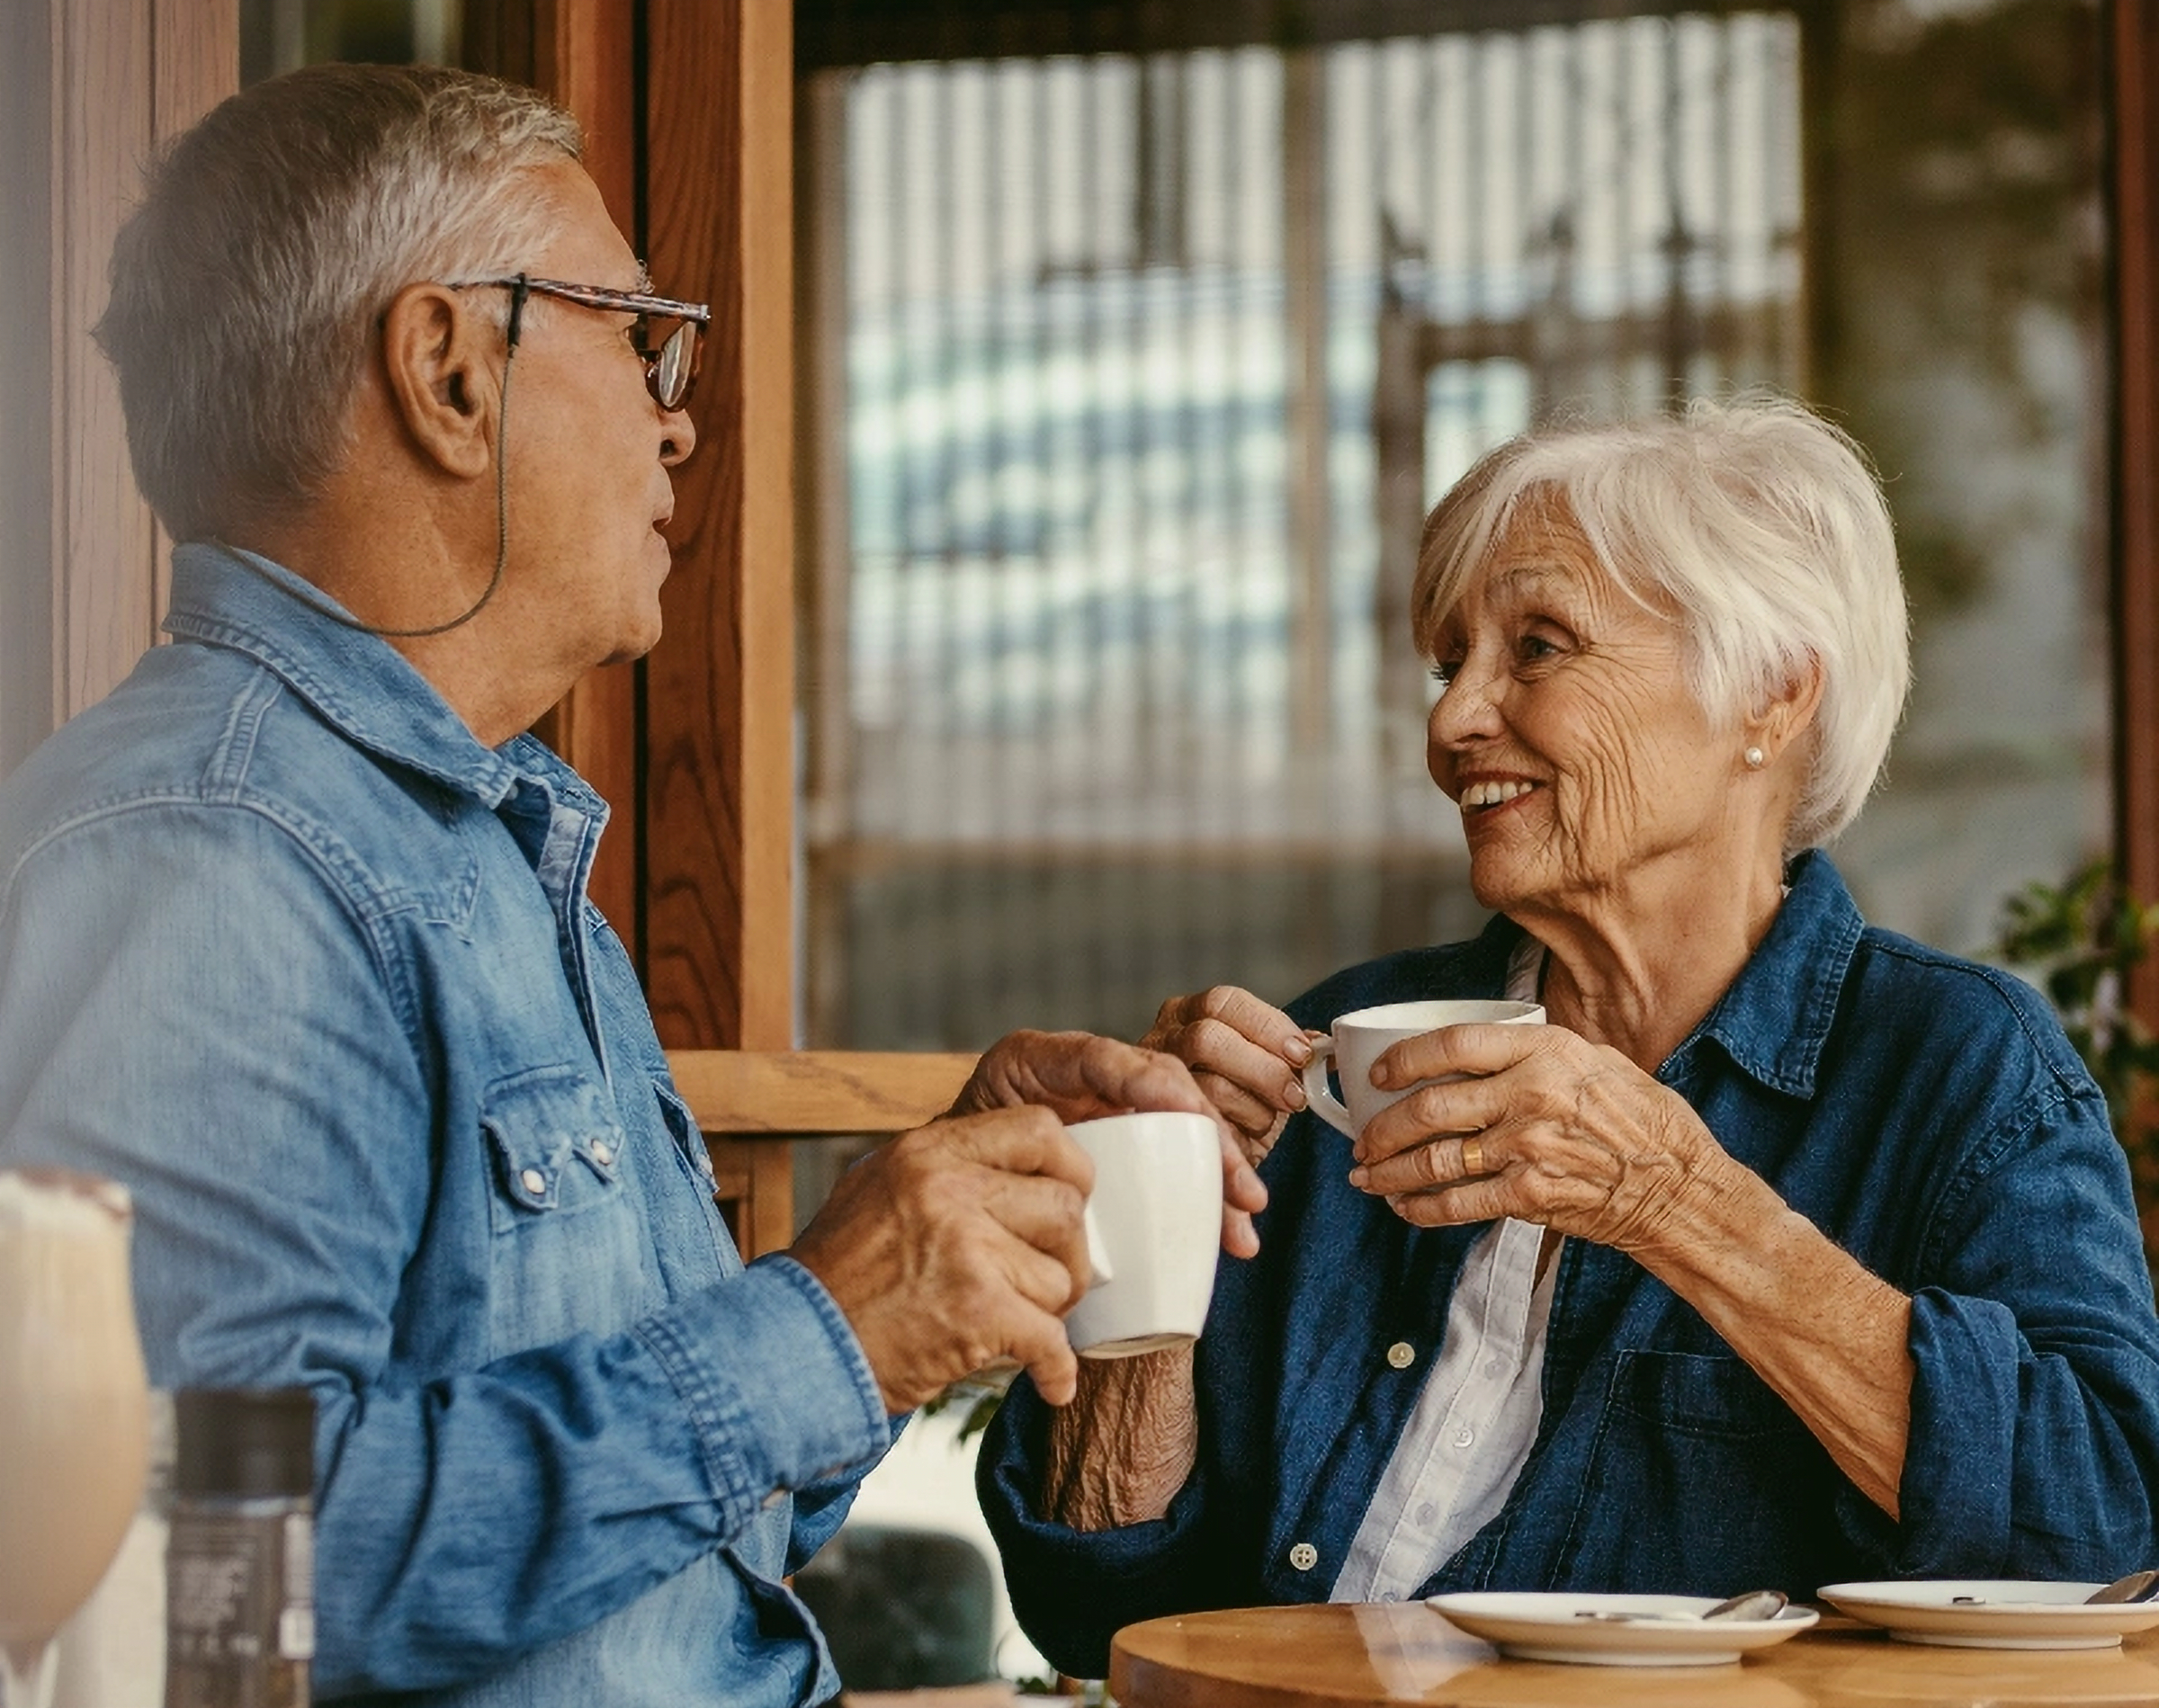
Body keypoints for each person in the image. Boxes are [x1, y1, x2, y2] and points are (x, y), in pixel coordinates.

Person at [0, 63, 1263, 1707]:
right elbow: (208, 1583)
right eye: (636, 334)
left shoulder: (480, 841)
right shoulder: (218, 856)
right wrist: (821, 1324)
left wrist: (899, 1287)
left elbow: (686, 1543)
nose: (678, 417)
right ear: (449, 371)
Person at [978, 396, 2159, 1677]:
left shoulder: (1956, 1068)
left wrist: (1677, 1203)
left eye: (1537, 648)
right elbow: (1091, 1613)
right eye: (1451, 668)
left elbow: (2103, 1532)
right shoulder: (1347, 1051)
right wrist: (1151, 1251)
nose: (1451, 726)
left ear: (1771, 693)